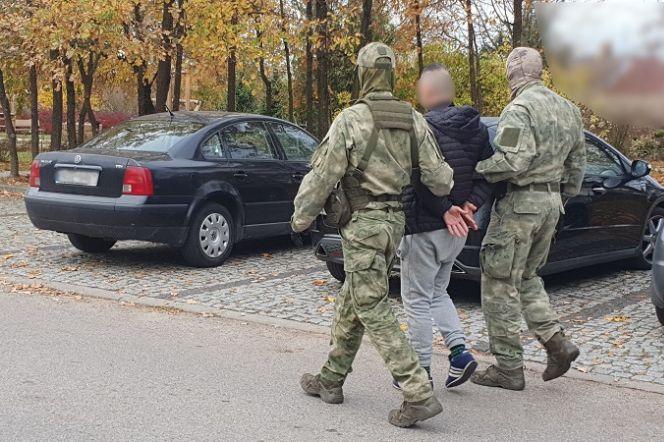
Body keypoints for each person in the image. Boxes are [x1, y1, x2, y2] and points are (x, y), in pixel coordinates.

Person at [291, 42, 455, 428]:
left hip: (362, 224)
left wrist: (301, 217)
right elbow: (440, 178)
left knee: (371, 304)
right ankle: (331, 379)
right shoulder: (414, 120)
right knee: (355, 296)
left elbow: (323, 175)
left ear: (363, 75)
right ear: (393, 74)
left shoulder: (351, 119)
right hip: (394, 223)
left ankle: (417, 391)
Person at [470, 47, 586, 390]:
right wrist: (556, 197)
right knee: (528, 277)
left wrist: (474, 171)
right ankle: (557, 343)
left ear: (511, 75)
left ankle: (508, 367)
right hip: (551, 203)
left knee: (498, 282)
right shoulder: (568, 109)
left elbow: (511, 162)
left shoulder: (518, 109)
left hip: (520, 205)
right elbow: (577, 170)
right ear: (539, 72)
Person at [393, 64, 493, 391]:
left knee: (417, 299)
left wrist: (445, 208)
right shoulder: (477, 129)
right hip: (458, 230)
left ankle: (419, 371)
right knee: (438, 292)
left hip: (424, 226)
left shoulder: (421, 127)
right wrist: (469, 206)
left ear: (429, 93)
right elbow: (487, 176)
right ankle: (460, 352)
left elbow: (416, 178)